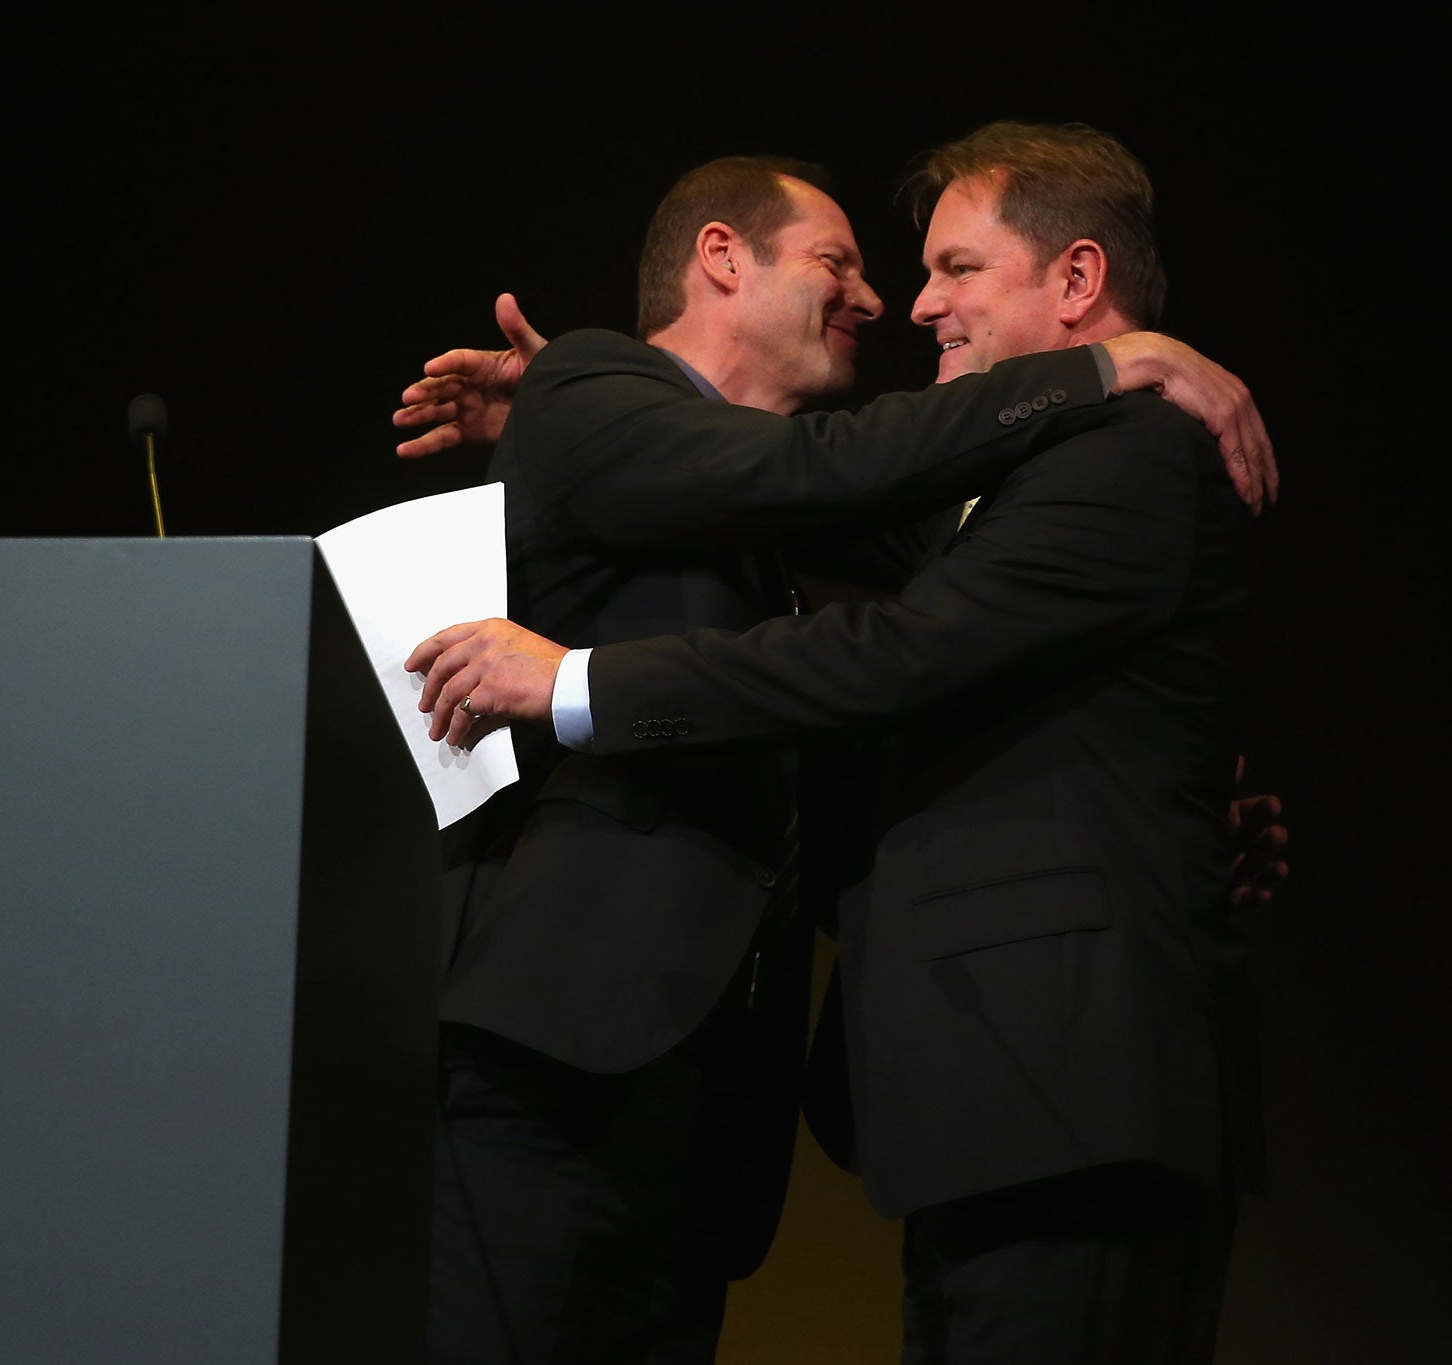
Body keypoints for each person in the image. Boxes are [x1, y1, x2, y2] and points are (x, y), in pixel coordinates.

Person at [409, 121, 1271, 1363]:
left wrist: (1160, 789)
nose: (902, 303)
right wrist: (569, 416)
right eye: (849, 262)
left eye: (951, 270)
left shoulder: (1110, 463)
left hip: (841, 1095)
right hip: (573, 1056)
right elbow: (822, 491)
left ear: (1075, 280)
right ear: (721, 258)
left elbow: (908, 630)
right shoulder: (601, 387)